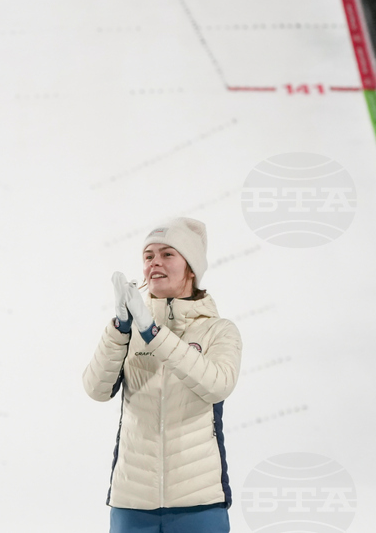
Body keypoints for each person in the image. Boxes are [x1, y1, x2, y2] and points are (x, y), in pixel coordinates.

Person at [82, 218, 242, 532]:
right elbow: (96, 389)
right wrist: (120, 329)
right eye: (148, 256)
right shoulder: (127, 331)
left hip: (199, 503)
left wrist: (153, 332)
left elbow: (218, 385)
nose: (155, 262)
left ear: (191, 269)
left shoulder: (219, 330)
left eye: (168, 254)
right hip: (132, 504)